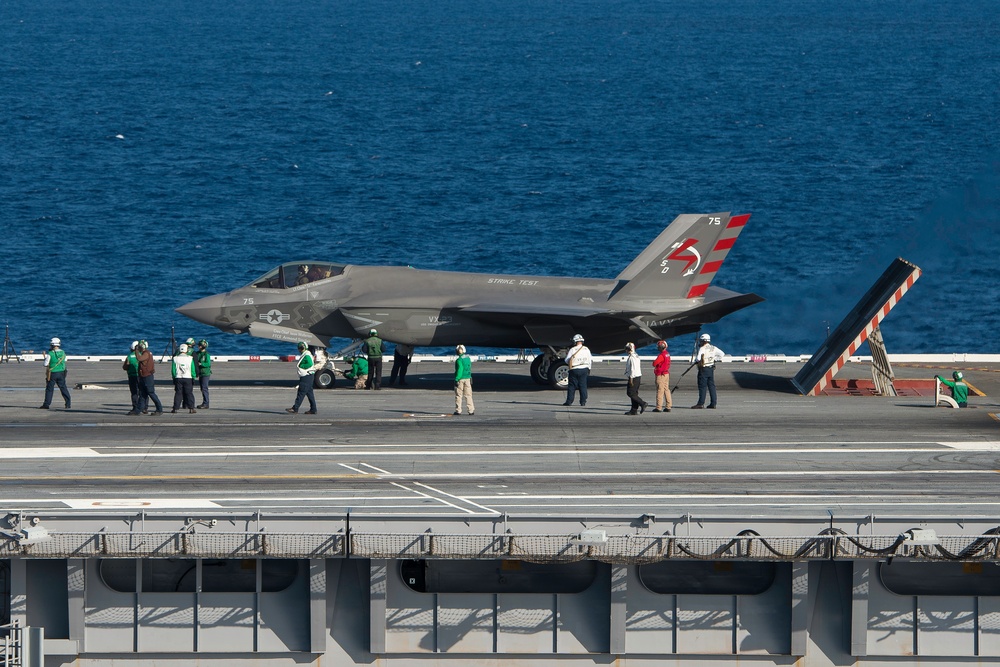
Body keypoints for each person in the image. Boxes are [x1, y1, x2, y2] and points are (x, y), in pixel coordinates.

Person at [692, 332, 725, 409]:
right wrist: (715, 360)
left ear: (703, 341)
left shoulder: (702, 348)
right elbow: (722, 354)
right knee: (711, 386)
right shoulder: (713, 347)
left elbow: (698, 359)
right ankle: (713, 403)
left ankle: (700, 403)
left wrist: (696, 361)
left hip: (703, 369)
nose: (700, 342)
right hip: (711, 369)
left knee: (702, 387)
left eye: (701, 341)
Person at [40, 337, 71, 410]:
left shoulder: (50, 354)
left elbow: (45, 364)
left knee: (49, 389)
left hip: (52, 373)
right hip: (62, 373)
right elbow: (64, 360)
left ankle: (46, 404)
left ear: (51, 345)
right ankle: (68, 403)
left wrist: (45, 359)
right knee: (63, 388)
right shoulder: (63, 353)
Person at [286, 342, 318, 414]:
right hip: (309, 376)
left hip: (306, 376)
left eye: (300, 348)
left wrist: (301, 366)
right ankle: (313, 409)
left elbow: (309, 363)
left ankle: (295, 408)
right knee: (309, 393)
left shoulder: (306, 355)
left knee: (301, 392)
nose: (299, 350)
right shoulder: (307, 353)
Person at [135, 340, 163, 416]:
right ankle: (138, 410)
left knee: (151, 393)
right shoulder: (146, 353)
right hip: (144, 376)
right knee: (142, 394)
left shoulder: (146, 353)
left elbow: (139, 359)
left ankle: (159, 409)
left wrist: (136, 351)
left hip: (147, 376)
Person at [563, 333, 592, 407]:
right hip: (584, 369)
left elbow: (566, 360)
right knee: (583, 386)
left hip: (574, 369)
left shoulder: (572, 350)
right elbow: (590, 360)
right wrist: (589, 368)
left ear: (575, 341)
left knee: (572, 386)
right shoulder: (586, 349)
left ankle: (569, 401)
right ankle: (583, 402)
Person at [171, 343, 197, 413]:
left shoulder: (175, 358)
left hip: (178, 377)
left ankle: (175, 408)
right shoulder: (190, 358)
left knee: (178, 393)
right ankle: (191, 408)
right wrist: (193, 377)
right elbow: (192, 369)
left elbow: (173, 370)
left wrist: (174, 377)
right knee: (189, 393)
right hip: (188, 378)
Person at [624, 342, 647, 415]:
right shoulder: (636, 356)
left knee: (630, 393)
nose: (626, 350)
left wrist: (631, 379)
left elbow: (633, 369)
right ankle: (634, 409)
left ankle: (642, 403)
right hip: (637, 376)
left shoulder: (632, 358)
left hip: (634, 377)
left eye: (627, 349)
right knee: (634, 393)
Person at [652, 340, 673, 412]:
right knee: (666, 389)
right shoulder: (667, 354)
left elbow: (654, 363)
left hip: (660, 374)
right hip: (666, 374)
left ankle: (659, 407)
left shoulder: (661, 355)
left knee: (660, 390)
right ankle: (668, 406)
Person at [454, 344, 475, 415]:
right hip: (468, 378)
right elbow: (469, 368)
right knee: (468, 395)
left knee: (459, 395)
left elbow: (460, 370)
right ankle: (471, 410)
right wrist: (470, 376)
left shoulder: (459, 360)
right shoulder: (468, 359)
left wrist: (456, 379)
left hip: (460, 379)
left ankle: (458, 410)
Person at [123, 341, 140, 414]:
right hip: (141, 376)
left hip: (132, 376)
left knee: (134, 392)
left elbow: (125, 367)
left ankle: (135, 407)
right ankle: (145, 407)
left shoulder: (129, 357)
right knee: (143, 392)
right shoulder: (142, 355)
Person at [194, 339, 211, 408]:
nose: (198, 346)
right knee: (202, 388)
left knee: (204, 388)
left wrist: (201, 364)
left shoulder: (206, 355)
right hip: (200, 373)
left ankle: (206, 403)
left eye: (199, 345)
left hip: (205, 373)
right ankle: (205, 402)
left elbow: (208, 364)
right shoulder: (198, 353)